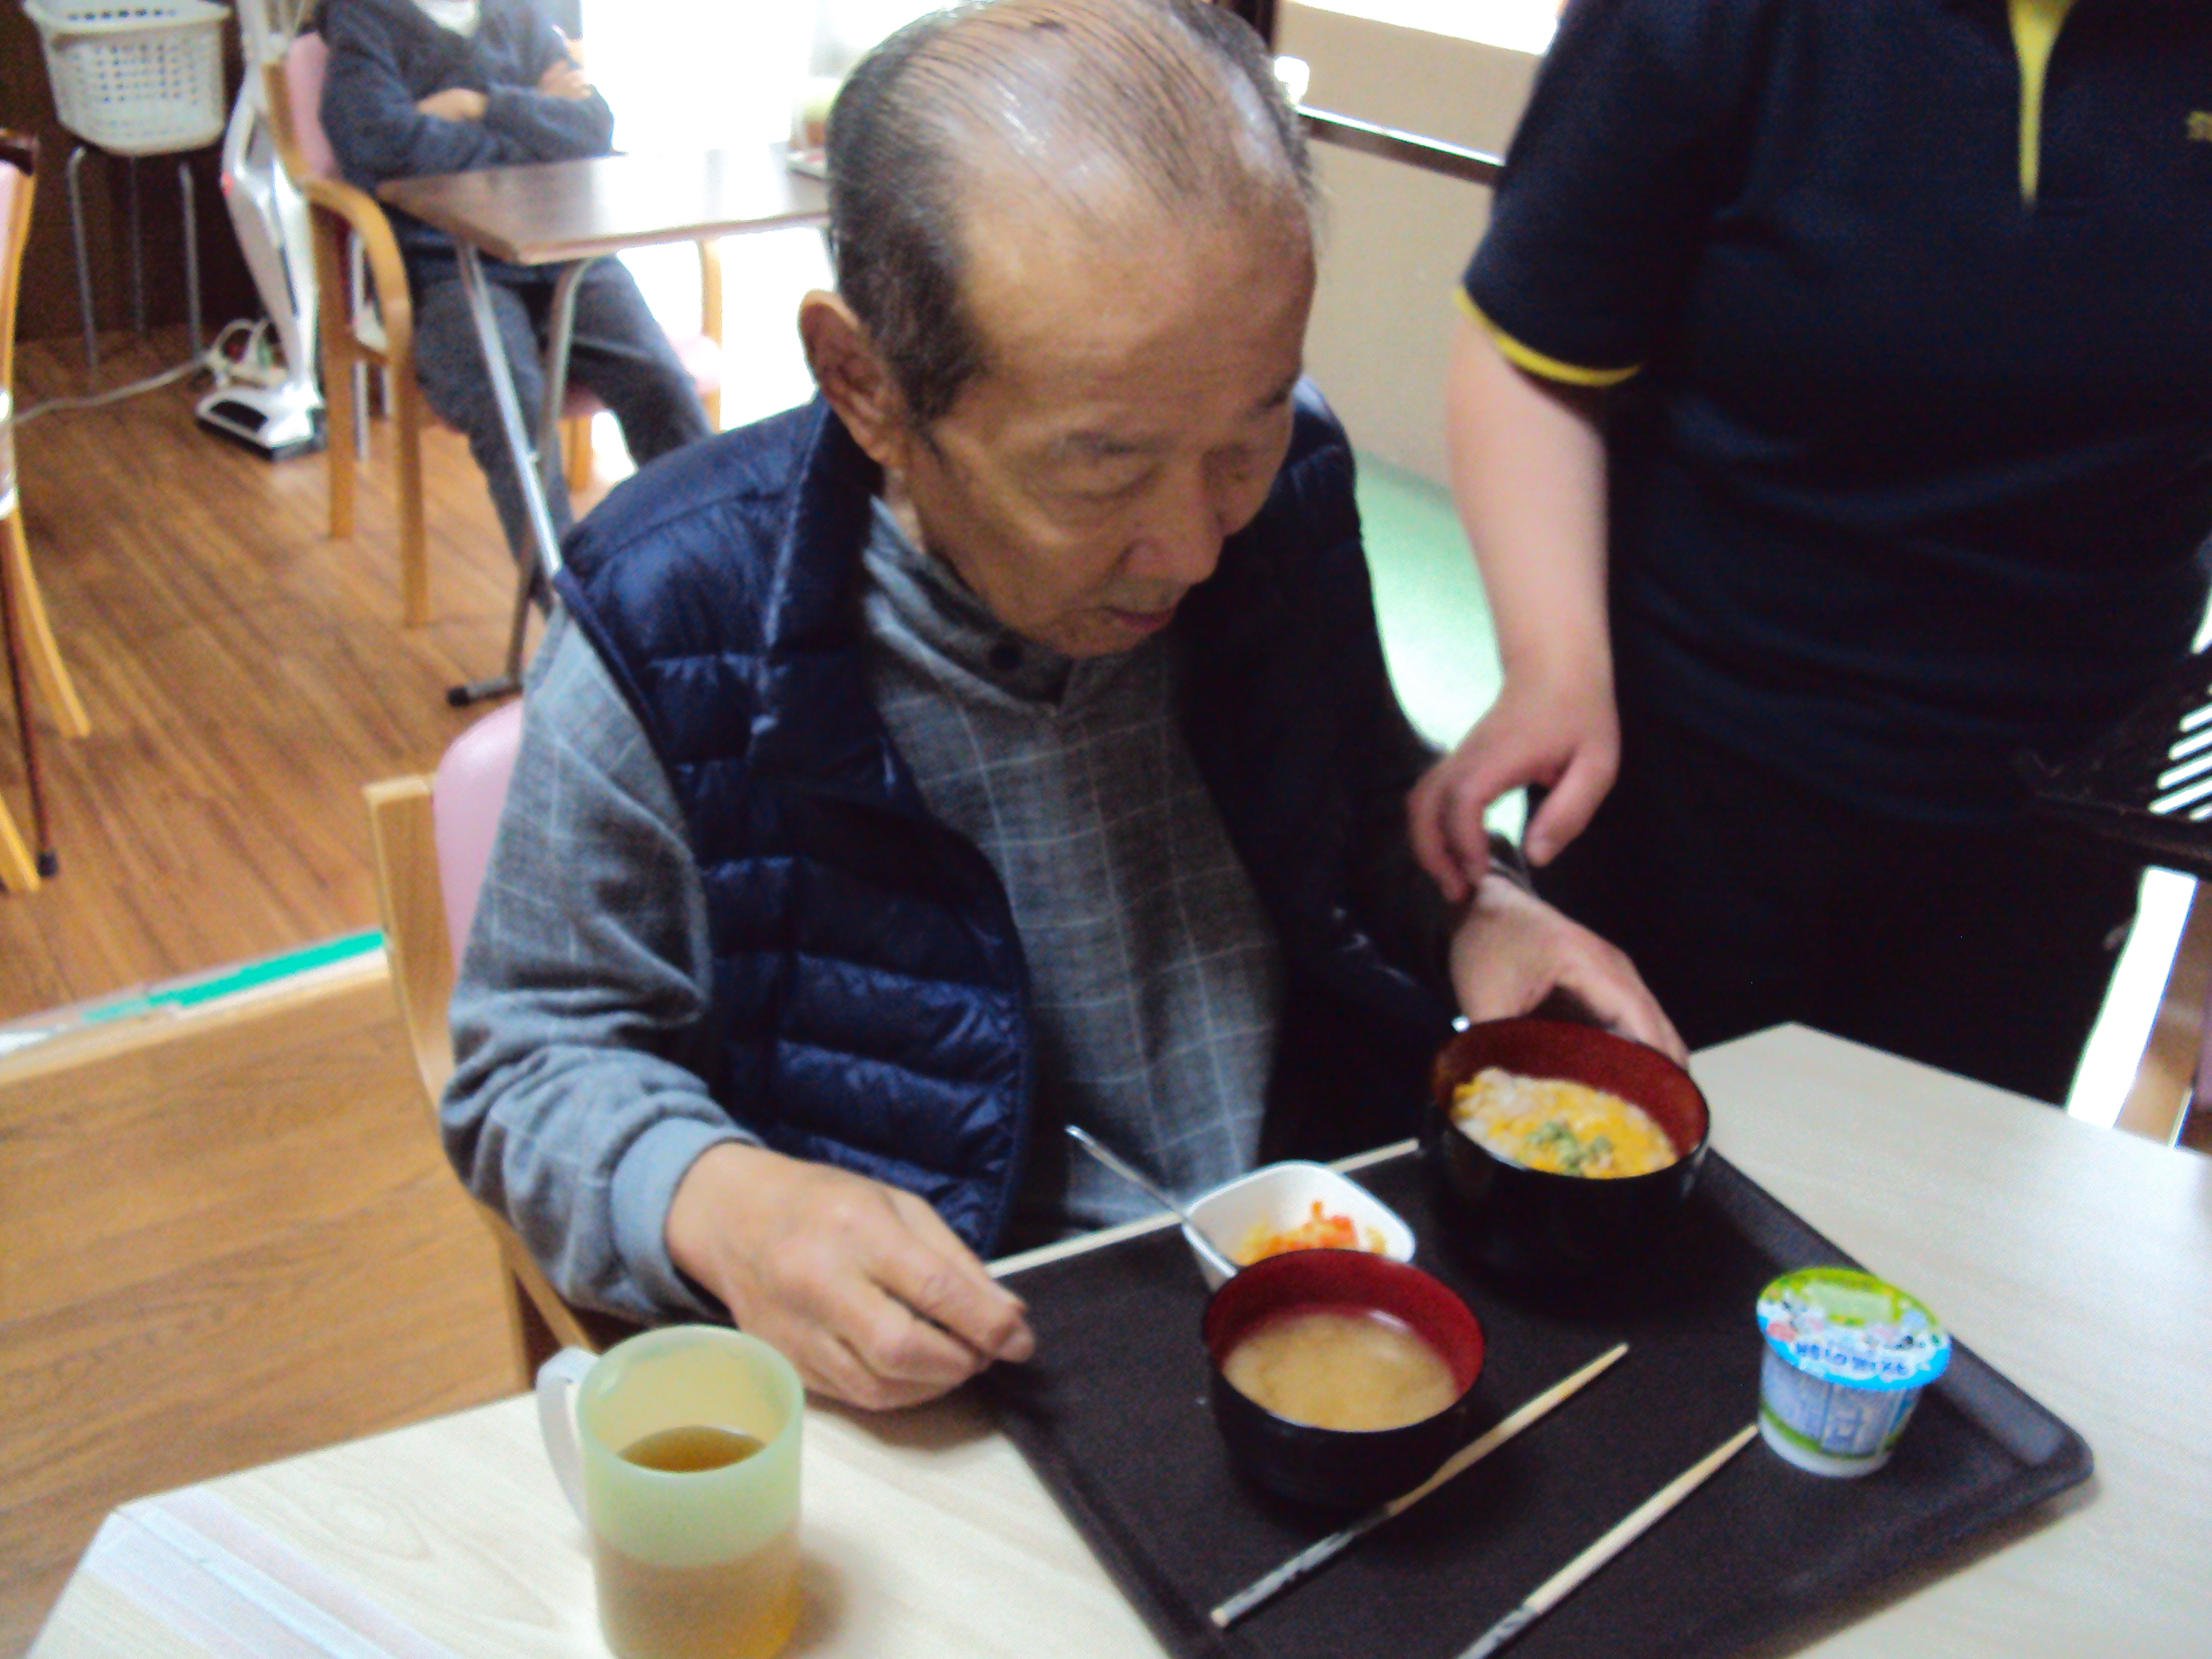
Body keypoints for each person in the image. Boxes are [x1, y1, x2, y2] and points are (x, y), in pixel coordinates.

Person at [444, 0, 1679, 1412]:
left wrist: (1477, 906)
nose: (1195, 546)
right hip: (964, 1359)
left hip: (1305, 1263)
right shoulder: (675, 611)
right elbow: (527, 1062)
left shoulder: (1283, 491)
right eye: (1104, 470)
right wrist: (720, 1201)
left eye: (1247, 432)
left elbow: (1349, 800)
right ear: (865, 384)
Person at [1408, 0, 2212, 1104]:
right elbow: (1537, 346)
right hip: (1693, 752)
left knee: (1932, 1178)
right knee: (1628, 1147)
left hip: (2069, 799)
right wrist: (1554, 664)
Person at [317, 0, 713, 562]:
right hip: (448, 267)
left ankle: (719, 569)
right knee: (512, 412)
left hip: (567, 254)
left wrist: (477, 105)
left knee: (661, 387)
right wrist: (530, 134)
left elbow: (591, 128)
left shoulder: (519, 14)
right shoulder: (363, 20)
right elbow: (380, 145)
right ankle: (568, 598)